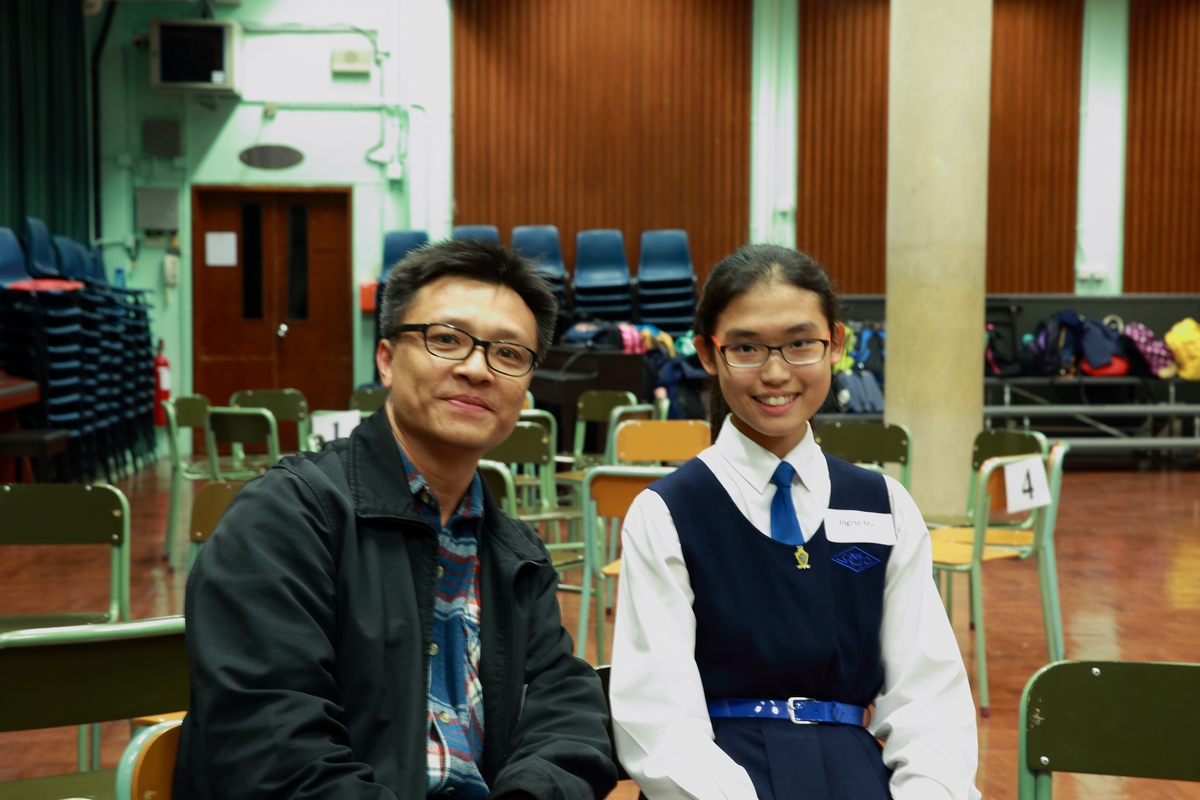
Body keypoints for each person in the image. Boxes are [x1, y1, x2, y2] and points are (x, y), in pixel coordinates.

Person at [175, 239, 618, 800]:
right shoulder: (286, 518)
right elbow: (275, 753)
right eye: (447, 339)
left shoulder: (516, 555)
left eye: (509, 354)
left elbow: (567, 711)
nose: (477, 369)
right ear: (386, 360)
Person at [609, 244, 980, 800]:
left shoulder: (884, 504)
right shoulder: (667, 512)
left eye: (801, 343)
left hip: (856, 776)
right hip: (716, 779)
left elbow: (930, 701)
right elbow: (657, 719)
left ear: (836, 345)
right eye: (746, 348)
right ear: (708, 354)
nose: (776, 372)